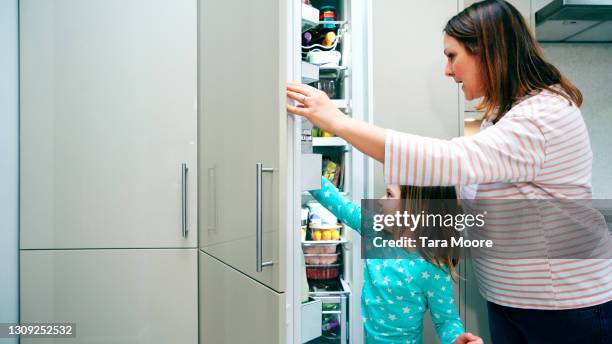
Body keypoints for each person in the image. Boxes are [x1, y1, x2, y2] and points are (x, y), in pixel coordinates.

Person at [288, 1, 612, 343]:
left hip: (562, 306)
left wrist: (337, 122)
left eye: (452, 56)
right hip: (513, 301)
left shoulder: (542, 116)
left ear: (486, 51)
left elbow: (448, 159)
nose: (448, 70)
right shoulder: (504, 116)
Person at [309, 177, 482, 344]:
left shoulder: (431, 267)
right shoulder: (374, 228)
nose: (380, 201)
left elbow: (446, 321)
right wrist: (306, 163)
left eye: (390, 194)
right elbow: (337, 202)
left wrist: (457, 339)